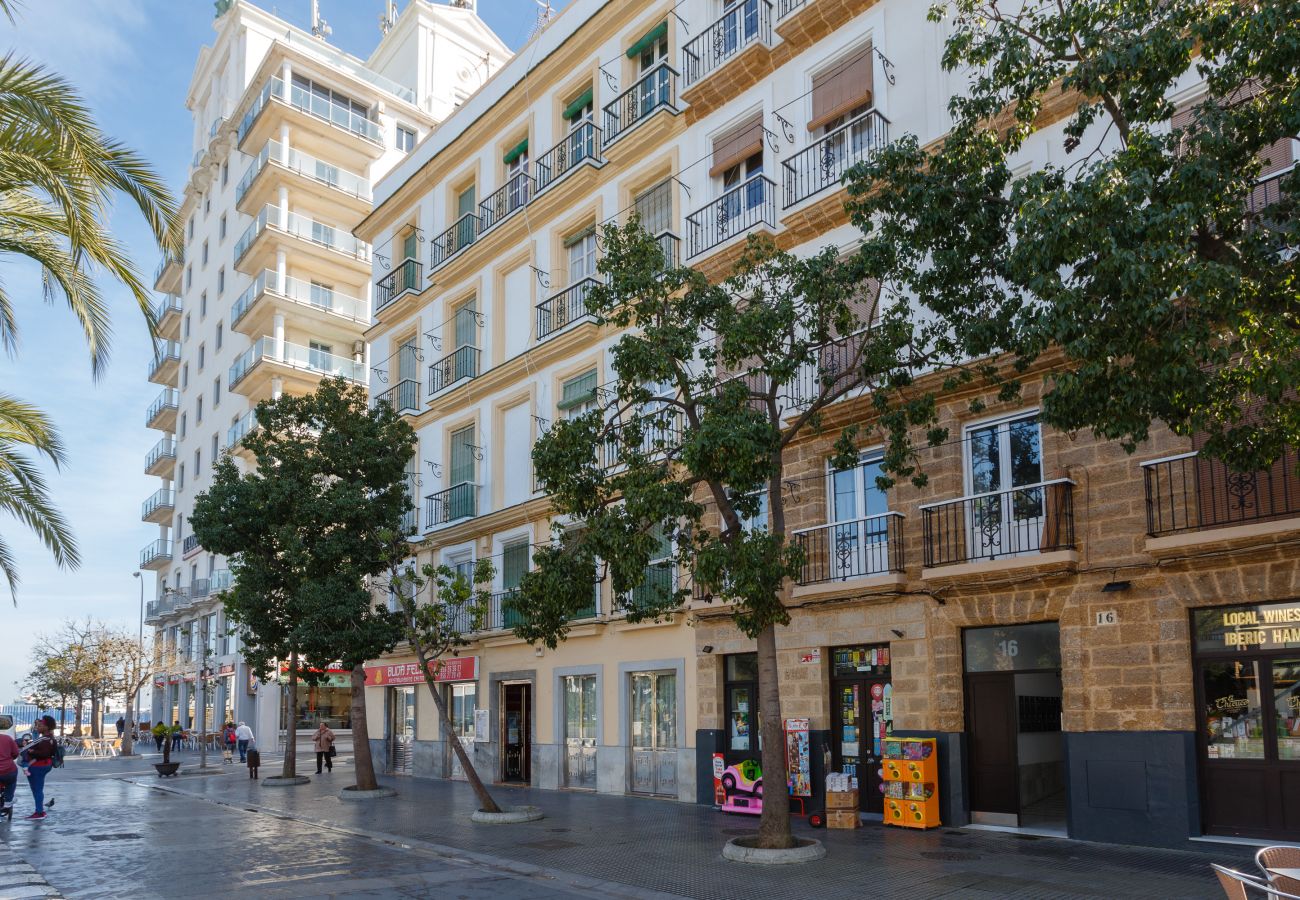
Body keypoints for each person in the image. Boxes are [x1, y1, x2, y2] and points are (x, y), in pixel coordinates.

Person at [21, 715, 57, 820]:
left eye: (40, 725)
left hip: (38, 766)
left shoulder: (45, 740)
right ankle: (40, 810)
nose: (37, 727)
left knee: (37, 789)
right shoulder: (50, 738)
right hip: (44, 765)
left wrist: (32, 751)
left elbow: (44, 753)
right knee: (37, 789)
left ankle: (39, 812)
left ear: (46, 727)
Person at [0, 728, 19, 820]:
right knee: (11, 782)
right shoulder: (7, 738)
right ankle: (8, 801)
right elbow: (16, 753)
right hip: (8, 770)